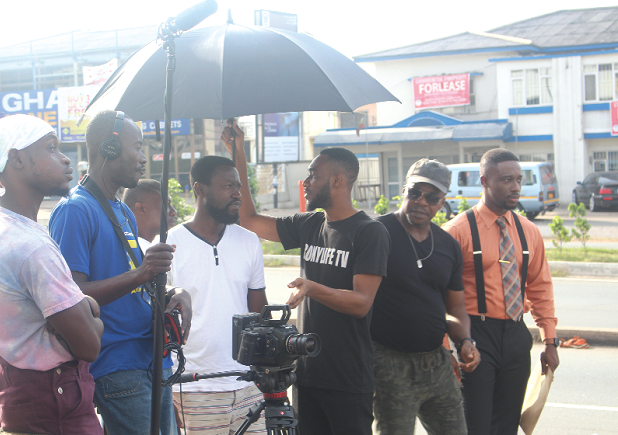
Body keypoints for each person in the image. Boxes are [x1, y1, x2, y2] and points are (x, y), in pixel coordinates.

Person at [221, 122, 389, 435]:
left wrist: (312, 288)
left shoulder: (370, 232)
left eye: (314, 175)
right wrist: (238, 152)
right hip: (308, 373)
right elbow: (249, 219)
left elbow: (362, 303)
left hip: (348, 380)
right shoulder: (310, 224)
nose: (306, 182)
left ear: (337, 180)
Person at [49, 110, 192, 435]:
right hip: (118, 366)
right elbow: (70, 297)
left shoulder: (123, 210)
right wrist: (142, 274)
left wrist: (173, 294)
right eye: (137, 148)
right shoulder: (75, 210)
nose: (144, 158)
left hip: (153, 358)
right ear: (109, 149)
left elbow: (133, 282)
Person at [0, 114, 104, 434]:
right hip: (57, 407)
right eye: (51, 148)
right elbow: (89, 345)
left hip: (26, 402)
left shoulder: (1, 228)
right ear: (17, 159)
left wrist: (83, 307)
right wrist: (92, 311)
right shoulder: (30, 246)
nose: (65, 159)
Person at [443, 149, 560, 435]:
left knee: (507, 426)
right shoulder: (457, 231)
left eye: (519, 179)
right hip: (474, 336)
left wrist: (550, 340)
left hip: (516, 336)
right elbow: (438, 295)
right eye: (506, 179)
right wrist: (445, 346)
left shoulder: (528, 231)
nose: (516, 187)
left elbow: (541, 287)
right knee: (475, 425)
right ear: (484, 181)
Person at [370, 159, 481, 435]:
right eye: (414, 192)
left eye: (431, 197)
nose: (421, 201)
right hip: (389, 365)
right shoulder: (376, 233)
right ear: (403, 190)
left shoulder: (447, 246)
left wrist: (465, 341)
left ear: (442, 202)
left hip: (438, 363)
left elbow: (456, 308)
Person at [166, 156, 268, 434]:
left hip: (249, 384)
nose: (238, 194)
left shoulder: (249, 241)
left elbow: (259, 312)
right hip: (195, 386)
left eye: (239, 185)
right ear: (200, 189)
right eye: (228, 186)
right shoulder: (169, 244)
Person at [122, 179, 177, 251]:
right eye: (166, 205)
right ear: (141, 209)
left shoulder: (145, 249)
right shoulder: (134, 251)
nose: (174, 212)